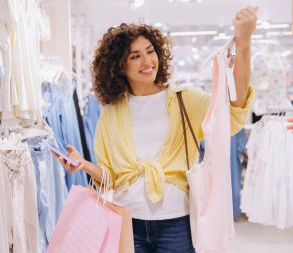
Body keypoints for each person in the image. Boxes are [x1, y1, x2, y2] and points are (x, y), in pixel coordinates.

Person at [52, 6, 257, 253]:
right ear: (119, 66)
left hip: (177, 224)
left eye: (150, 51)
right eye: (135, 56)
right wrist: (84, 165)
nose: (147, 61)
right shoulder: (111, 113)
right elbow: (109, 175)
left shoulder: (186, 101)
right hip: (129, 221)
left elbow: (233, 111)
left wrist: (244, 45)